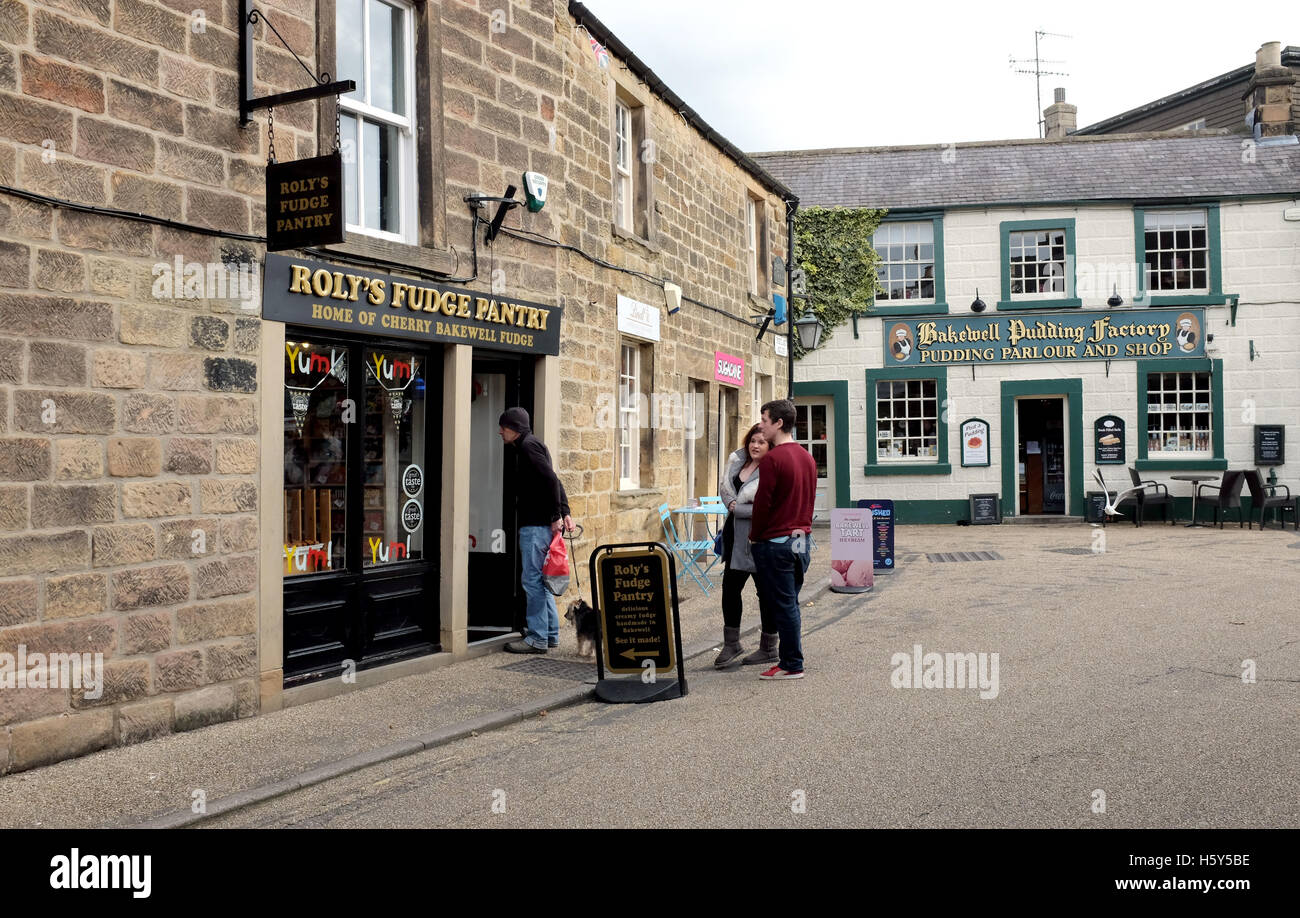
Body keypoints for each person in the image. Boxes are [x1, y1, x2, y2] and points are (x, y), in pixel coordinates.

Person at [749, 398, 817, 680]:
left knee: (784, 604)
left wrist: (754, 537)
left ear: (778, 423)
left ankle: (791, 663)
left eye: (764, 420)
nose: (761, 425)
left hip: (778, 542)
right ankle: (791, 659)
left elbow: (763, 505)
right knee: (791, 602)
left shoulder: (773, 459)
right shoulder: (807, 457)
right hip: (802, 539)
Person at [498, 407, 574, 654]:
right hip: (543, 524)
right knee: (542, 581)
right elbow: (554, 479)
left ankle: (537, 637)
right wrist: (564, 512)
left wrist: (556, 516)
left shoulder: (528, 447)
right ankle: (550, 635)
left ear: (514, 428)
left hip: (535, 526)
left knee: (532, 582)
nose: (500, 432)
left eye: (504, 427)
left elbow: (551, 481)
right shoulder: (533, 445)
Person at [714, 424, 773, 668]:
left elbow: (770, 507)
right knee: (729, 591)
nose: (755, 445)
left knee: (766, 595)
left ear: (770, 445)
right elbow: (725, 488)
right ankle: (732, 644)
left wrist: (737, 508)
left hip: (758, 538)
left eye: (761, 441)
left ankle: (769, 647)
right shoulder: (738, 463)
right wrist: (730, 503)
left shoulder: (771, 470)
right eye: (752, 440)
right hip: (735, 539)